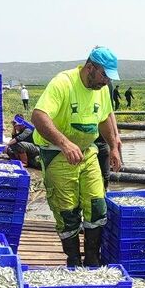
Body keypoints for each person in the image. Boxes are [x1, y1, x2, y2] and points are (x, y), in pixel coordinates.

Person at [31, 46, 122, 267]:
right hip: (57, 154)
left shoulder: (101, 88)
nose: (106, 82)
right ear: (90, 67)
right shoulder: (63, 83)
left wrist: (114, 146)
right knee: (67, 211)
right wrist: (63, 143)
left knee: (97, 205)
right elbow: (38, 116)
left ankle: (92, 258)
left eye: (109, 78)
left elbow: (105, 118)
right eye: (103, 75)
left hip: (87, 153)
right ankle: (73, 259)